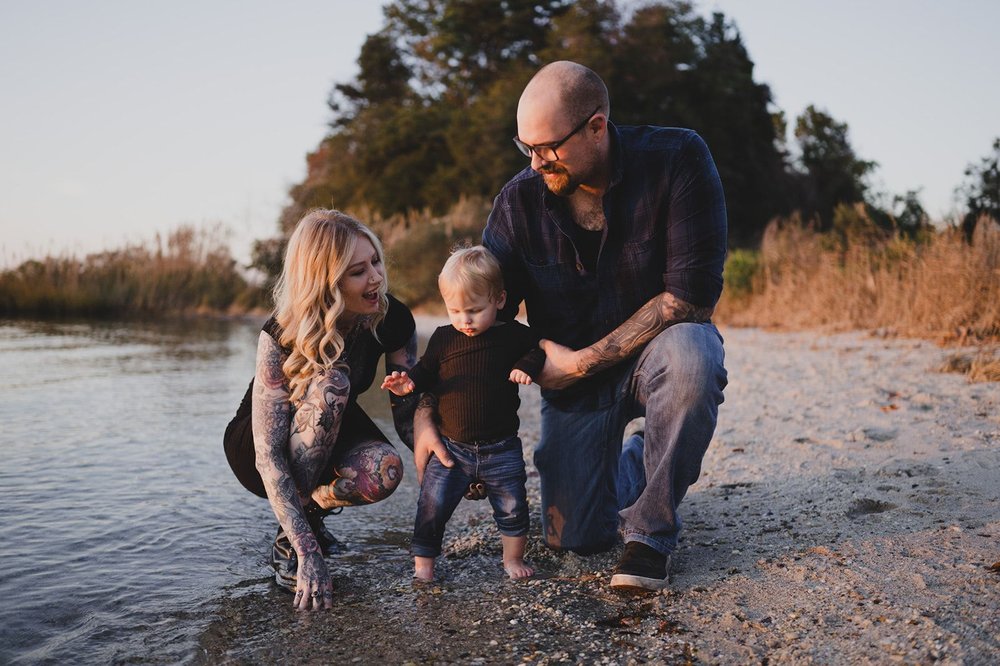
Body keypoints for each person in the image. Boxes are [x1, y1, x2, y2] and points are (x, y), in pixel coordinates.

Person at [414, 61, 729, 592]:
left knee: (693, 359)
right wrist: (435, 419)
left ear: (596, 126)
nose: (535, 162)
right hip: (573, 390)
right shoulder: (518, 202)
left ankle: (650, 536)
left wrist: (581, 362)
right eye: (526, 147)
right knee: (576, 537)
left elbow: (689, 299)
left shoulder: (677, 158)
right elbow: (480, 323)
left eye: (547, 147)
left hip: (656, 356)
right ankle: (640, 460)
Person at [223, 209, 419, 611]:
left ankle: (306, 517)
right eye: (358, 272)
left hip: (332, 421)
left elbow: (408, 408)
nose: (376, 278)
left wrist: (455, 460)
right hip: (258, 449)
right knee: (334, 381)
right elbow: (267, 454)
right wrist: (307, 551)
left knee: (384, 471)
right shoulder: (281, 332)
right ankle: (292, 542)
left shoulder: (390, 316)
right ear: (325, 281)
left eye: (376, 262)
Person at [381, 246, 544, 581]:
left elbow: (538, 349)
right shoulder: (444, 338)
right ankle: (424, 567)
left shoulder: (513, 335)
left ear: (499, 300)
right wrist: (407, 384)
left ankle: (513, 559)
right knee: (431, 505)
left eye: (474, 310)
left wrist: (526, 366)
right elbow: (425, 371)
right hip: (452, 448)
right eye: (454, 311)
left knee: (513, 506)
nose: (464, 320)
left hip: (502, 448)